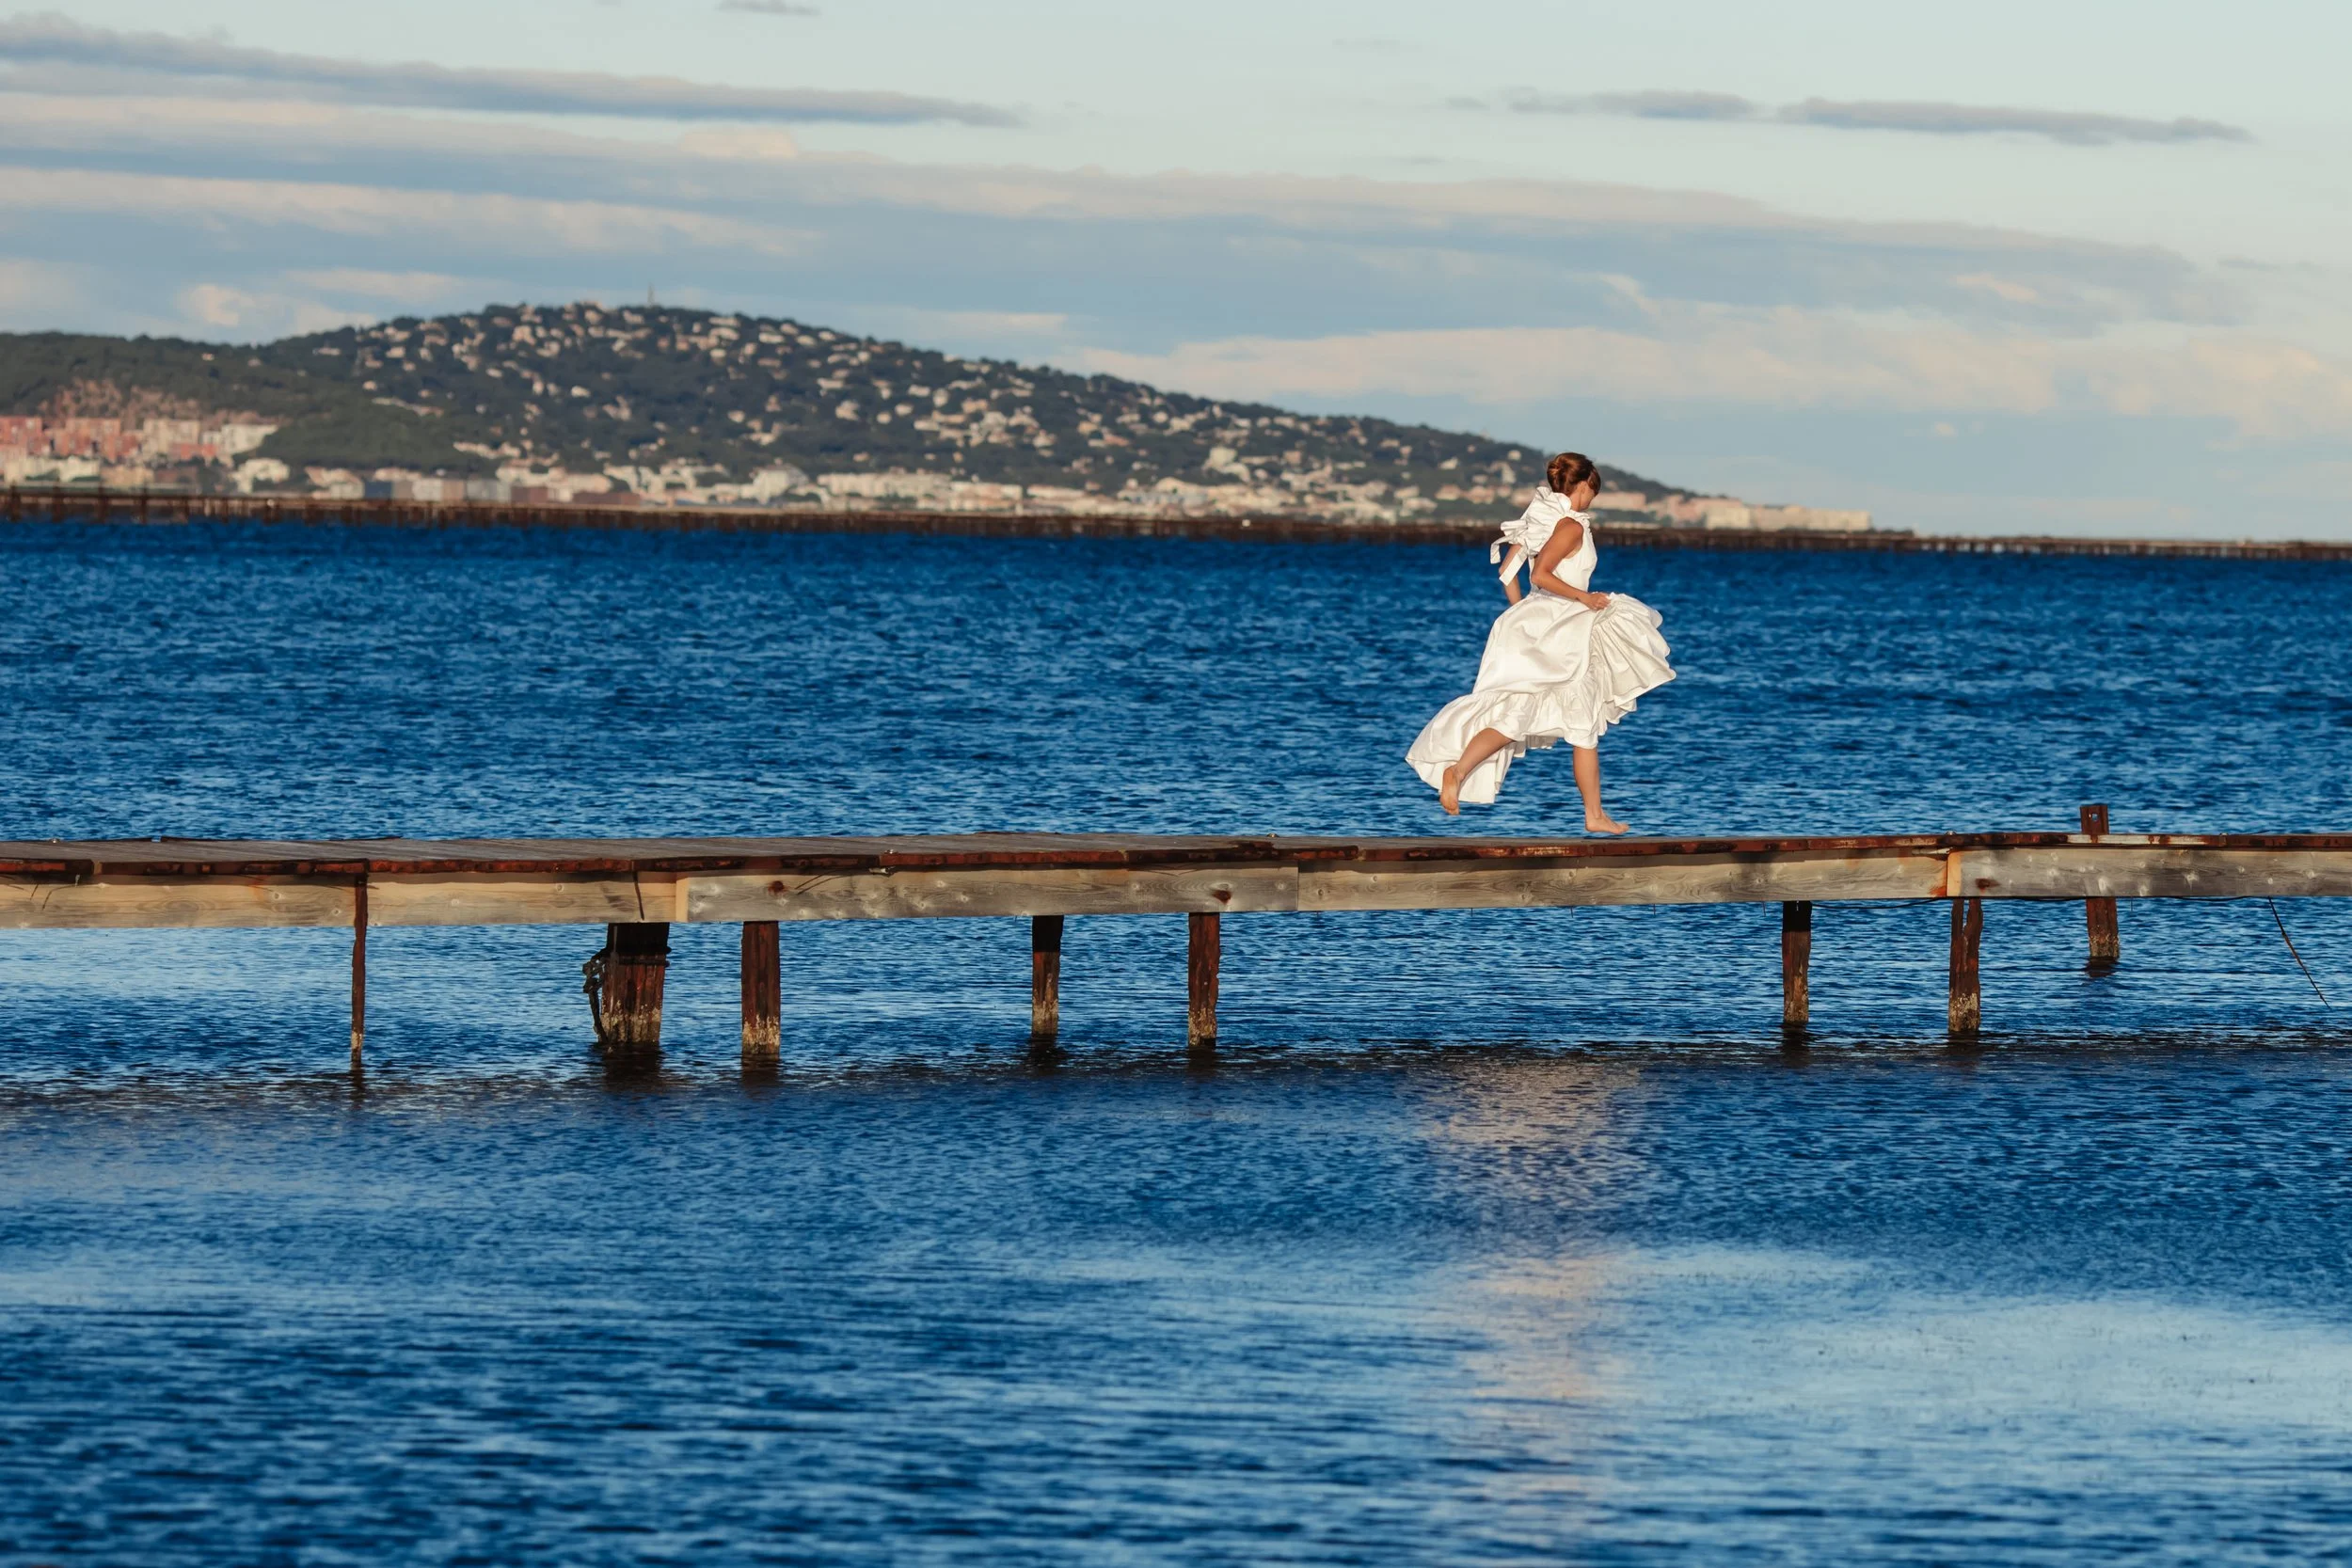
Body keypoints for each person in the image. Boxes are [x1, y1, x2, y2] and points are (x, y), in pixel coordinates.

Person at [1406, 451, 1675, 827]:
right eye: (1593, 488)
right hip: (1564, 628)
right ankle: (1593, 814)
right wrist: (1583, 598)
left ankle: (1460, 771)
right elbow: (1542, 575)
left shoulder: (1544, 521)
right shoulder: (1569, 526)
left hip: (1545, 624)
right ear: (1584, 485)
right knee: (1581, 724)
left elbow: (1507, 572)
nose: (1593, 496)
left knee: (1526, 714)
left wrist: (1524, 617)